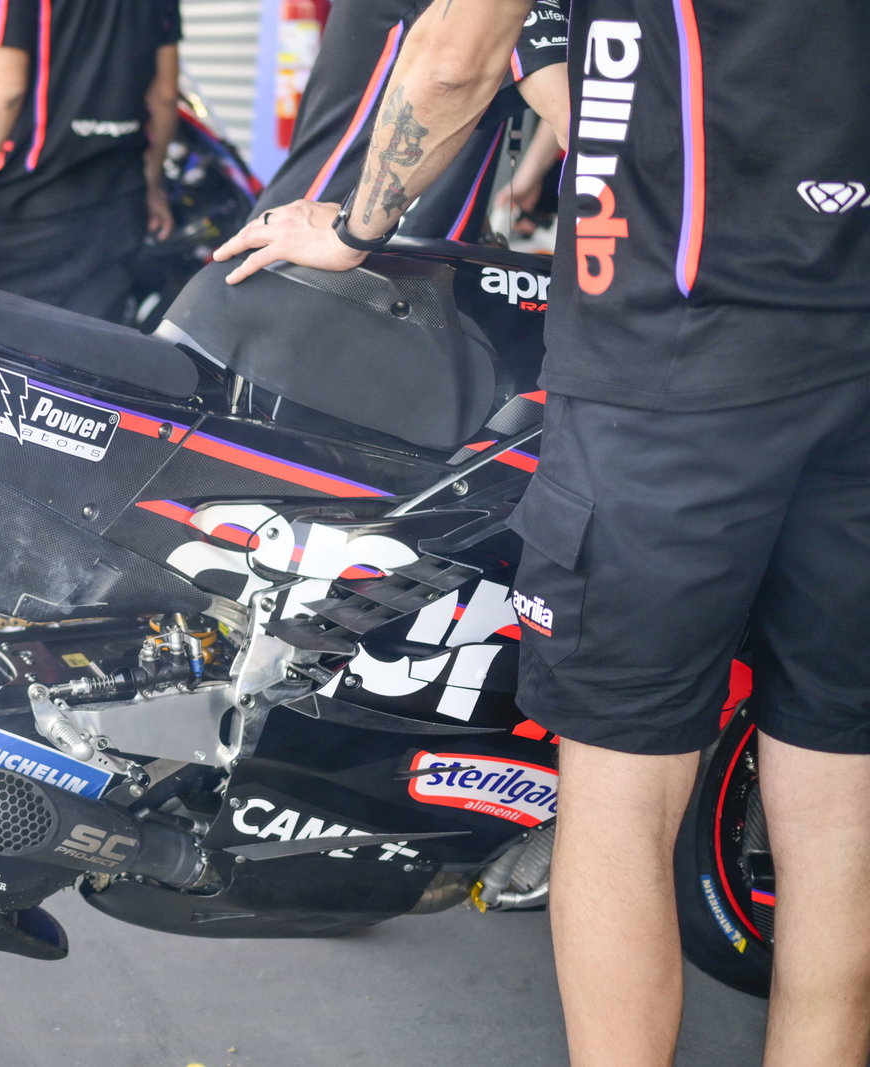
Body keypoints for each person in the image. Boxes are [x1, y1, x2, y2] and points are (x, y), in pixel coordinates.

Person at [215, 1, 870, 1064]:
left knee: (620, 794)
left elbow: (452, 57)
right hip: (849, 361)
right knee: (840, 806)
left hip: (669, 374)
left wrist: (346, 225)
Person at [0, 0, 180, 323]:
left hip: (23, 213)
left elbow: (1, 91)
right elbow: (165, 95)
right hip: (118, 204)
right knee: (87, 360)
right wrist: (152, 185)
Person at [256, 0, 568, 241]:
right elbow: (575, 117)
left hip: (312, 225)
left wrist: (527, 175)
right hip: (339, 243)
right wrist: (352, 237)